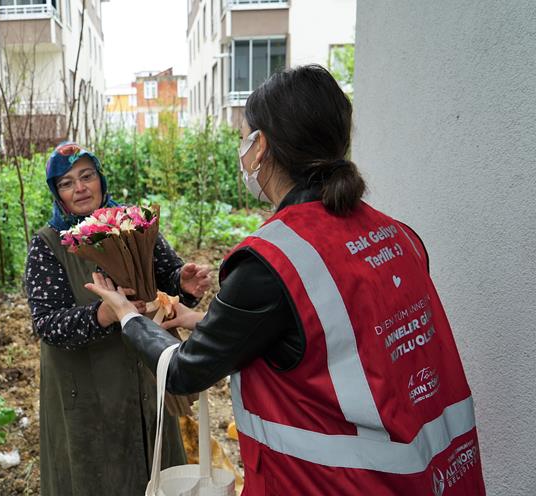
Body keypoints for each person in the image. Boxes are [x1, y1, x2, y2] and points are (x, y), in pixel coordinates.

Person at [85, 65, 486, 495]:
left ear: (262, 147)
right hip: (435, 476)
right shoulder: (397, 235)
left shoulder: (272, 260)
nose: (242, 148)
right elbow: (333, 336)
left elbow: (185, 372)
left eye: (245, 136)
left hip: (327, 484)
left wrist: (128, 316)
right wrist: (199, 321)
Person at [24, 142, 213, 496]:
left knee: (157, 469)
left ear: (100, 178)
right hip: (88, 388)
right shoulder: (48, 245)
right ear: (57, 192)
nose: (80, 188)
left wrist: (181, 283)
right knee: (99, 476)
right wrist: (102, 314)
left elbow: (166, 275)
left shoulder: (132, 226)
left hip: (144, 375)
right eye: (67, 183)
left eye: (86, 176)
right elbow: (47, 323)